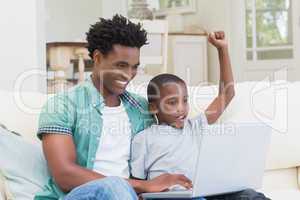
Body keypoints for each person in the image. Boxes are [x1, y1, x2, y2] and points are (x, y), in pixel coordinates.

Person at [35, 15, 192, 200]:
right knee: (112, 185)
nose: (128, 74)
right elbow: (65, 175)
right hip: (78, 196)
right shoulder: (61, 106)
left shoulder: (142, 108)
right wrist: (144, 186)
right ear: (98, 58)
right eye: (121, 65)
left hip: (130, 195)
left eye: (134, 67)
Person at [131, 32, 270, 200]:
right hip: (171, 197)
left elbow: (227, 94)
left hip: (204, 192)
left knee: (250, 195)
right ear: (153, 108)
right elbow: (138, 184)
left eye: (185, 101)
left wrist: (222, 49)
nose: (181, 109)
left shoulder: (195, 126)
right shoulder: (143, 138)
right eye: (172, 102)